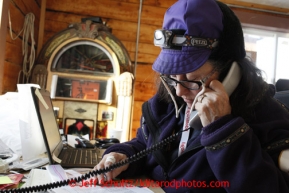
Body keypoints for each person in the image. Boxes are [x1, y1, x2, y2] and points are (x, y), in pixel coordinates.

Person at [94, 0, 289, 192]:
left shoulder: (268, 117)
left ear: (231, 71)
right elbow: (146, 146)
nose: (179, 91)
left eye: (193, 79)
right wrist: (123, 155)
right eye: (171, 77)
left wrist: (224, 131)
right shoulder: (168, 101)